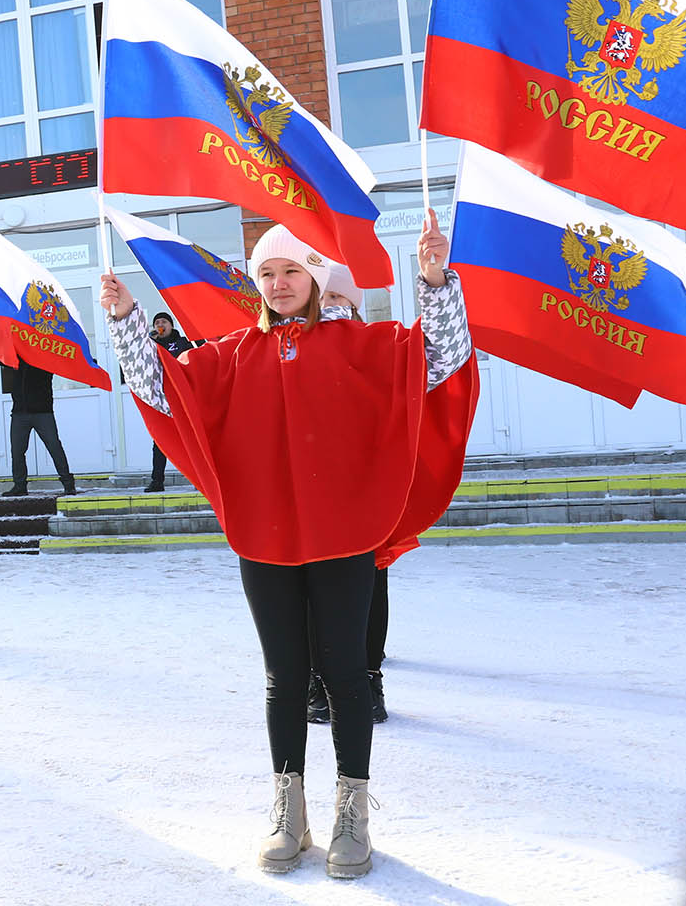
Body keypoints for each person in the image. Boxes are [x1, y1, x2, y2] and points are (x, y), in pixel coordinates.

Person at [102, 214, 476, 879]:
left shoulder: (363, 344)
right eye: (267, 273)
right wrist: (130, 321)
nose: (278, 283)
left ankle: (351, 811)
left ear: (315, 277)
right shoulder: (234, 352)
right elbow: (167, 391)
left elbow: (438, 359)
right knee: (282, 678)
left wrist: (434, 279)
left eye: (291, 270)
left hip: (343, 536)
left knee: (344, 673)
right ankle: (288, 808)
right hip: (265, 537)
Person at [303, 264, 392, 727]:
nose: (333, 308)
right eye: (328, 300)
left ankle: (341, 682)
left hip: (347, 486)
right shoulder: (300, 346)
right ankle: (358, 680)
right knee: (363, 586)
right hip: (350, 487)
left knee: (338, 589)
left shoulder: (365, 345)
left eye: (340, 300)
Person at [0, 347, 74, 498]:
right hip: (19, 413)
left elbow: (65, 360)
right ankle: (19, 486)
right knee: (17, 451)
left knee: (54, 447)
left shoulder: (46, 358)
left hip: (43, 412)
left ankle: (68, 484)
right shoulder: (17, 358)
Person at [145, 312, 195, 493]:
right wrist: (149, 339)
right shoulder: (150, 345)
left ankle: (200, 479)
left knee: (190, 440)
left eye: (163, 321)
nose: (160, 324)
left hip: (181, 398)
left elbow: (193, 361)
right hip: (161, 399)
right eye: (157, 322)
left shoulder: (182, 342)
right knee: (160, 441)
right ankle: (157, 481)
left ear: (171, 325)